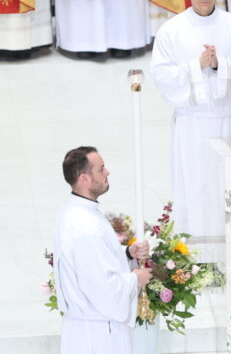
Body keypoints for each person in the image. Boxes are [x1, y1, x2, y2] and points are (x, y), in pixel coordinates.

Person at [151, 0, 231, 240]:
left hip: (228, 121)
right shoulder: (171, 31)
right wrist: (196, 66)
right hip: (192, 125)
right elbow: (161, 76)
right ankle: (195, 252)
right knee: (195, 187)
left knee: (228, 187)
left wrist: (220, 64)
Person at [52, 146, 152, 354]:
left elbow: (93, 264)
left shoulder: (77, 211)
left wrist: (128, 253)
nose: (107, 172)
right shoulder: (84, 226)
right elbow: (102, 287)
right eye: (101, 169)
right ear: (84, 179)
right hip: (98, 337)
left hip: (92, 329)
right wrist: (136, 278)